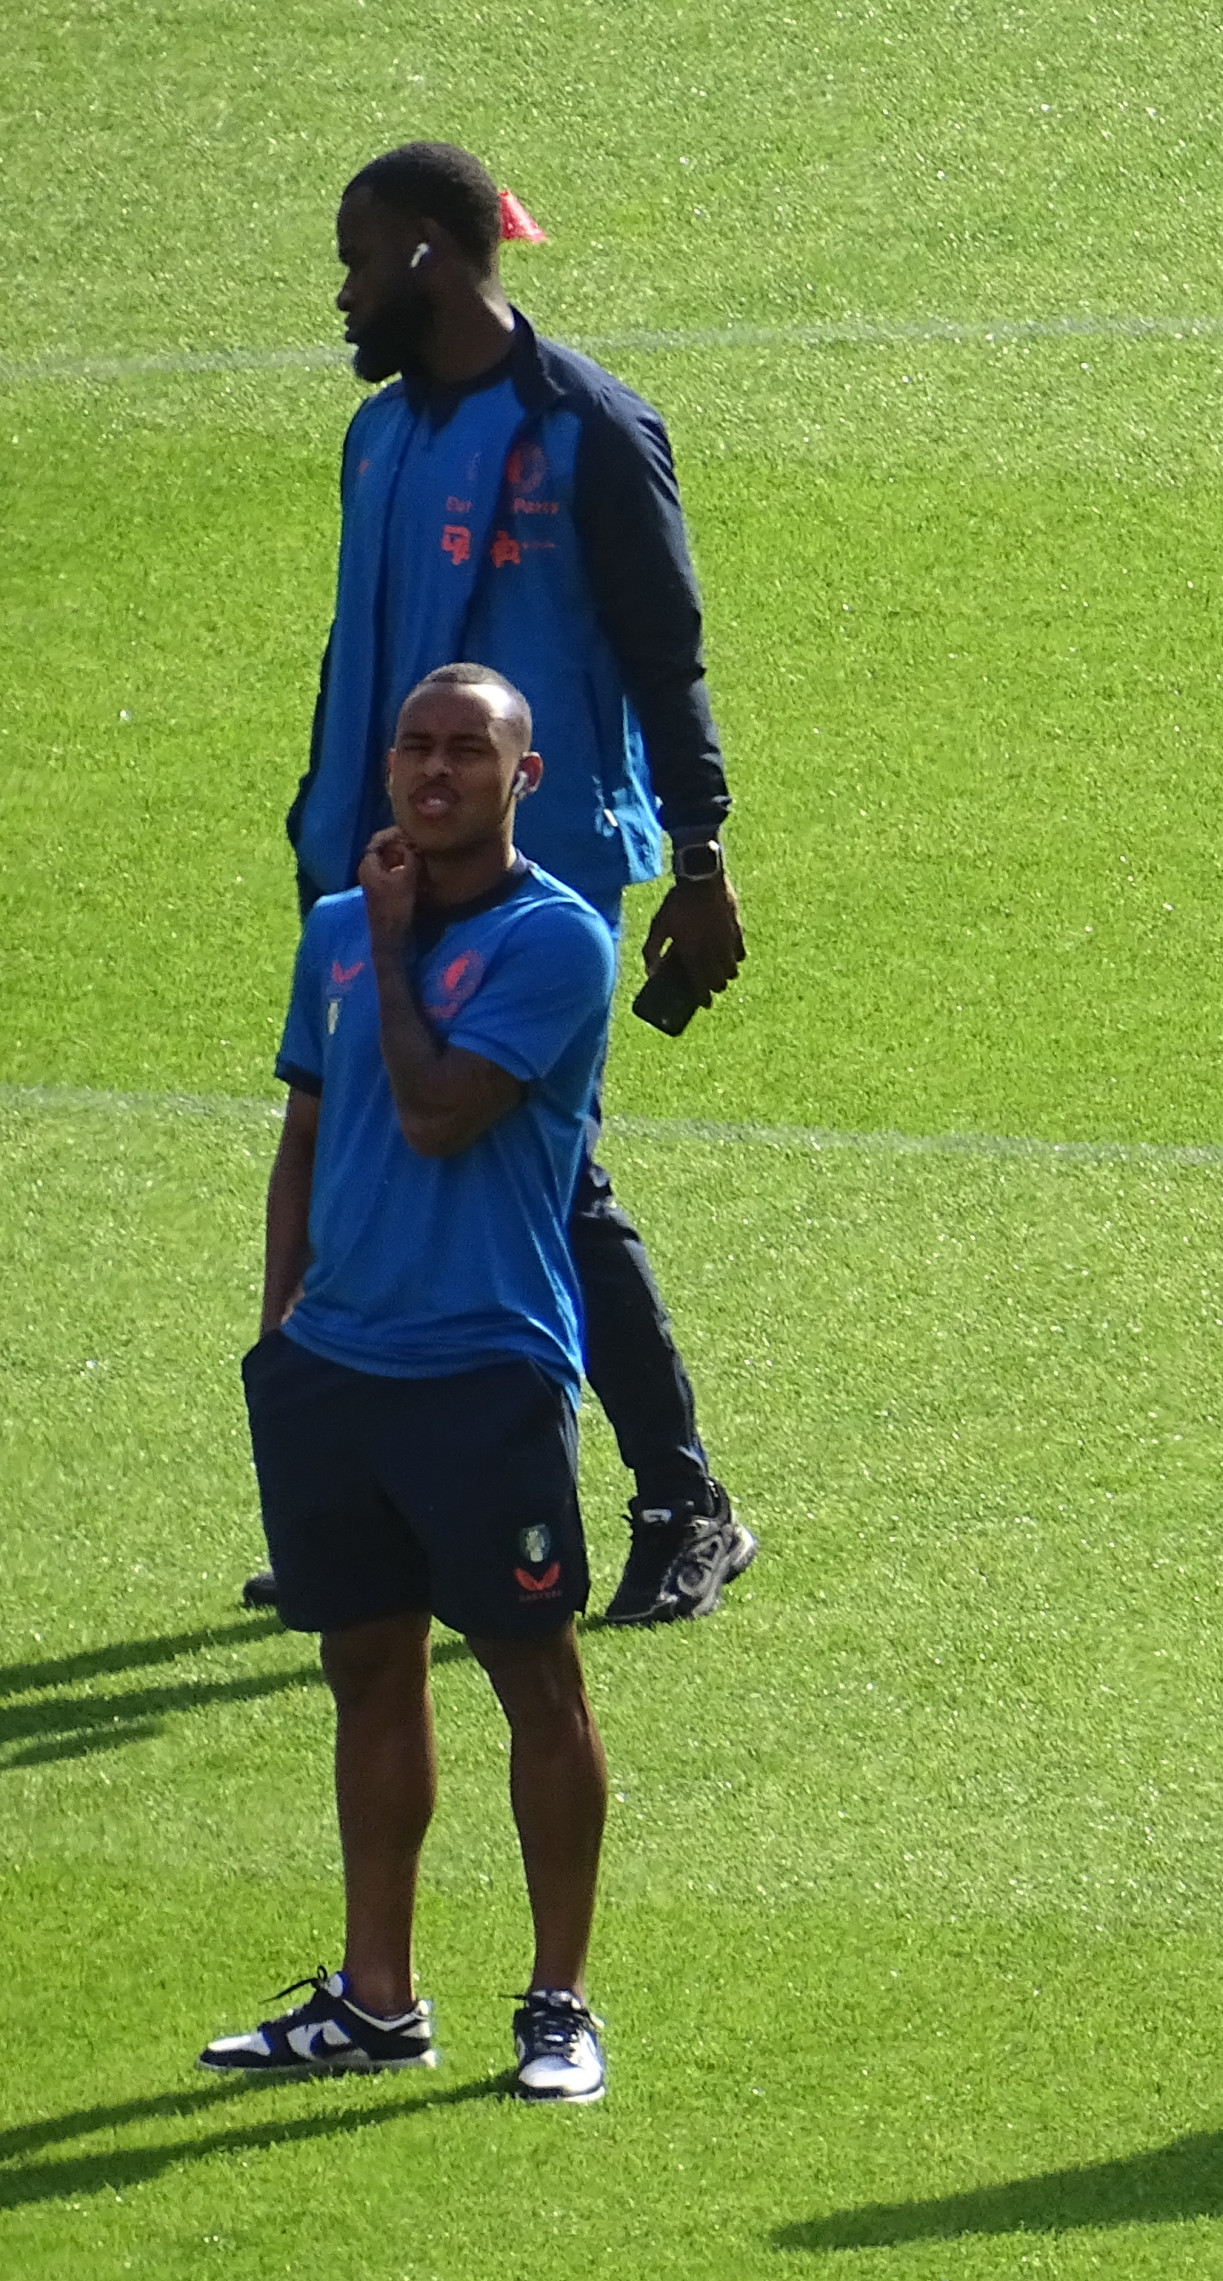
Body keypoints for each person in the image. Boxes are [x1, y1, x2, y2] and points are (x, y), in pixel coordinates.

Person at [257, 138, 754, 1628]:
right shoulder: (379, 438)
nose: (340, 295)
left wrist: (705, 854)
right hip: (369, 867)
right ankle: (357, 1504)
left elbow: (668, 657)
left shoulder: (588, 430)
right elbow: (359, 645)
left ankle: (685, 1498)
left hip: (538, 883)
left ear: (424, 252)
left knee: (552, 1181)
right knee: (359, 1159)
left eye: (356, 259)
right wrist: (324, 823)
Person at [204, 668, 627, 2106]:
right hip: (335, 1373)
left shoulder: (555, 943)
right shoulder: (334, 930)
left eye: (467, 751)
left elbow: (442, 1114)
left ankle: (559, 2002)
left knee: (535, 1681)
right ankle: (376, 2000)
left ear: (527, 778)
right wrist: (278, 1337)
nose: (432, 771)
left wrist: (391, 948)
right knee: (366, 1671)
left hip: (482, 1371)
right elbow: (306, 1140)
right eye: (414, 747)